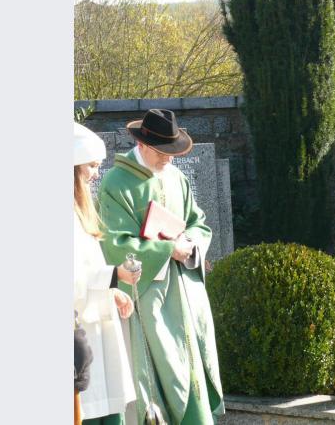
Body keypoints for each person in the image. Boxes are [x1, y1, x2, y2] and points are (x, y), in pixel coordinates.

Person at [98, 109, 224, 424]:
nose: (169, 159)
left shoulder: (176, 177)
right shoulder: (117, 183)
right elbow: (115, 243)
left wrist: (190, 245)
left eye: (173, 152)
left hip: (184, 290)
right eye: (163, 153)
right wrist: (169, 249)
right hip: (148, 294)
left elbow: (199, 224)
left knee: (192, 362)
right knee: (158, 370)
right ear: (142, 145)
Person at [74, 122, 139, 424]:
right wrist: (115, 276)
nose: (96, 173)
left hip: (96, 327)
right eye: (91, 165)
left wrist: (112, 289)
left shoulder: (77, 210)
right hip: (79, 332)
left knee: (107, 407)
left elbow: (87, 269)